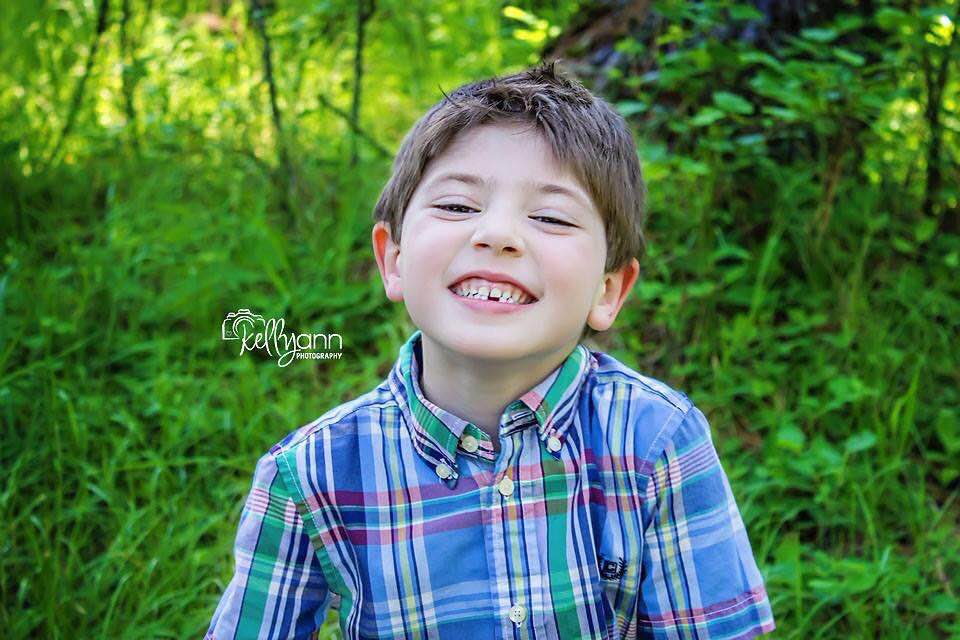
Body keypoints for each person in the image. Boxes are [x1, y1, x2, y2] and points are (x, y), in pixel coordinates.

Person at [205, 60, 775, 639]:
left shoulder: (657, 440)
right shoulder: (311, 474)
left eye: (551, 217)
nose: (497, 234)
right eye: (457, 206)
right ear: (393, 259)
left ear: (608, 291)